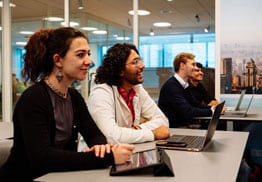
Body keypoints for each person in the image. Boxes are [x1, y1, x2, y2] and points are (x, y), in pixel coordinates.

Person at [0, 27, 134, 181]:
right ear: (58, 60)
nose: (89, 61)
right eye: (80, 55)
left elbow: (95, 135)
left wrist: (100, 147)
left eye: (88, 54)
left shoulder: (74, 97)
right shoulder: (33, 98)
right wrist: (107, 157)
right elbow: (42, 158)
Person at [87, 43, 170, 144]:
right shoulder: (101, 93)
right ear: (120, 70)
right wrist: (152, 134)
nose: (142, 65)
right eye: (135, 62)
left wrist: (136, 129)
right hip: (98, 156)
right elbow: (110, 136)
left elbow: (163, 121)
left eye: (140, 60)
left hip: (127, 150)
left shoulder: (136, 88)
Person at [158, 52, 224, 128]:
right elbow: (188, 111)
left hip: (183, 127)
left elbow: (195, 104)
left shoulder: (184, 85)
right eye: (193, 64)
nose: (195, 68)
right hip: (174, 130)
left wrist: (214, 108)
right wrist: (212, 111)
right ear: (182, 65)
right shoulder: (171, 86)